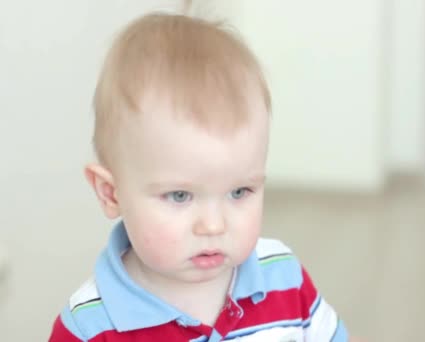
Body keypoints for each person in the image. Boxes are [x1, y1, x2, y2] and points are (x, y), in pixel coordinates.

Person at [49, 11, 350, 342]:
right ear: (111, 193)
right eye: (180, 196)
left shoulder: (283, 278)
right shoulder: (89, 328)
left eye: (239, 192)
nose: (214, 226)